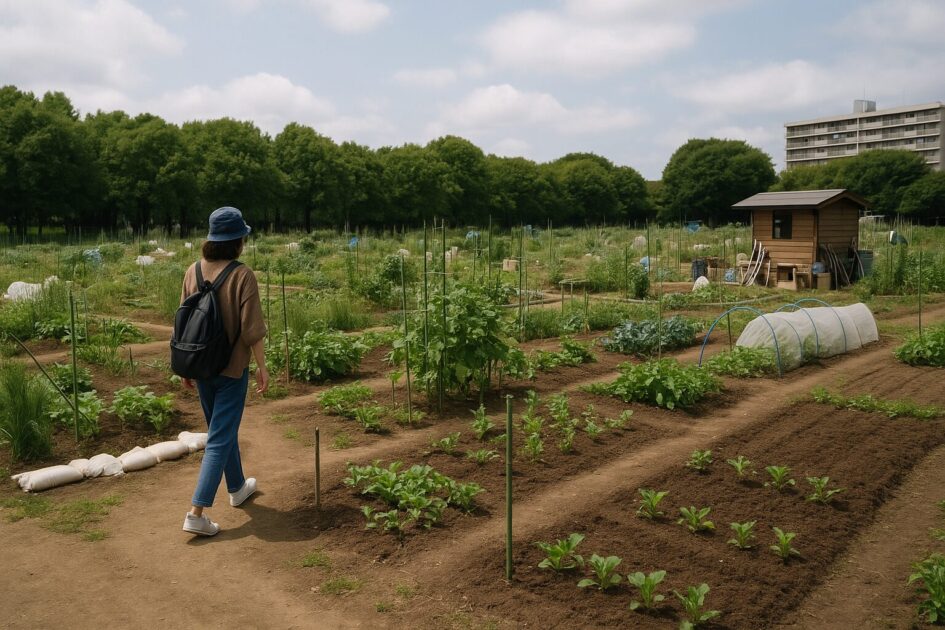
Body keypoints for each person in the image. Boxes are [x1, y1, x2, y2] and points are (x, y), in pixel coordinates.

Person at [180, 207, 269, 536]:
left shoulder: (193, 271)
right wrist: (261, 366)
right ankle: (196, 512)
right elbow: (252, 330)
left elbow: (183, 322)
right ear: (237, 241)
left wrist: (184, 367)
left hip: (201, 366)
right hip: (232, 371)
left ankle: (237, 488)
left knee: (222, 430)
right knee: (219, 438)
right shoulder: (242, 275)